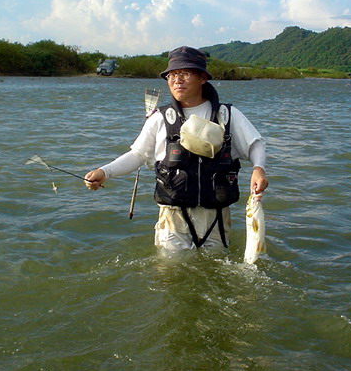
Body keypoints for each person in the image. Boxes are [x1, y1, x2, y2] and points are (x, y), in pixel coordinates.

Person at [84, 46, 268, 251]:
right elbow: (137, 154)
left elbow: (255, 144)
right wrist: (104, 172)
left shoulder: (227, 114)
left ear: (202, 78)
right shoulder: (159, 117)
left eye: (185, 73)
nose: (177, 80)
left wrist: (258, 168)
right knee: (169, 275)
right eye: (172, 75)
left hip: (216, 215)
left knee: (215, 272)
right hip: (173, 216)